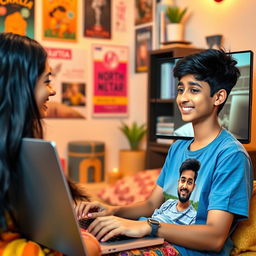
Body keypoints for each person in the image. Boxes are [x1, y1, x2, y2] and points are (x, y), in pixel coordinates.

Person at [75, 49, 253, 255]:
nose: (183, 99)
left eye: (193, 90)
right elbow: (152, 204)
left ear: (218, 97)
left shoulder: (231, 155)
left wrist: (149, 226)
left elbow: (215, 238)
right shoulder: (178, 147)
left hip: (185, 249)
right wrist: (113, 210)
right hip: (153, 237)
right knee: (77, 239)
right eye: (180, 89)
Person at [0, 33, 98, 254]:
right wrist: (86, 247)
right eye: (46, 81)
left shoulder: (18, 147)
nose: (52, 91)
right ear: (19, 84)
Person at [148, 158, 200, 225]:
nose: (184, 186)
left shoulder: (193, 217)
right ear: (178, 183)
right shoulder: (168, 204)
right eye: (183, 181)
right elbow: (152, 219)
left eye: (189, 182)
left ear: (193, 187)